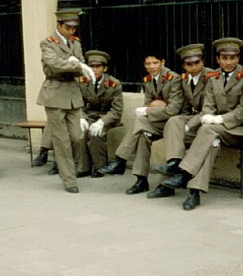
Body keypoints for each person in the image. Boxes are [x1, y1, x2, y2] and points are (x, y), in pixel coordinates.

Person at [159, 38, 243, 210]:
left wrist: (220, 120)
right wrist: (207, 119)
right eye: (224, 58)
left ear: (238, 58)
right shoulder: (213, 77)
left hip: (237, 129)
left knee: (207, 131)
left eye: (232, 58)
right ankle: (194, 192)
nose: (229, 62)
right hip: (212, 129)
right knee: (209, 143)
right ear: (218, 59)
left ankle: (184, 173)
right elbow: (208, 106)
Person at [99, 48, 183, 195]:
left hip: (174, 124)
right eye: (148, 64)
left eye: (155, 63)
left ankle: (121, 160)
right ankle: (141, 180)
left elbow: (173, 110)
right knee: (142, 134)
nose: (151, 67)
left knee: (140, 120)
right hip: (158, 121)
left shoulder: (173, 78)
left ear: (162, 62)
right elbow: (148, 103)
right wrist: (155, 106)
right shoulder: (149, 80)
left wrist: (150, 110)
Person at [37, 8, 96, 193]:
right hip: (54, 93)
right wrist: (75, 64)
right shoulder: (47, 43)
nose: (72, 31)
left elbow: (80, 63)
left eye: (74, 28)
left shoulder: (75, 43)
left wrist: (76, 65)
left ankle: (70, 169)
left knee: (78, 136)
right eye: (68, 28)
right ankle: (69, 179)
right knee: (61, 140)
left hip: (72, 93)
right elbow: (54, 64)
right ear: (59, 25)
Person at [147, 43, 214, 200]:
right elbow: (184, 108)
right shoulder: (184, 79)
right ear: (184, 66)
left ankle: (192, 191)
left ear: (202, 61)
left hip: (211, 121)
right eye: (189, 64)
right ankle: (173, 164)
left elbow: (210, 109)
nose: (193, 67)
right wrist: (183, 124)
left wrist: (189, 126)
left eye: (196, 62)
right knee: (174, 122)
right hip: (196, 119)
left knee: (204, 144)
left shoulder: (212, 77)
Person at [76, 50, 124, 178]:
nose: (94, 70)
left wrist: (102, 122)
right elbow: (77, 103)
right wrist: (81, 118)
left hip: (106, 117)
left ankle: (99, 167)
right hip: (89, 116)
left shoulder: (114, 84)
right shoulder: (82, 82)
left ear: (105, 68)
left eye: (98, 67)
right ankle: (83, 167)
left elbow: (117, 110)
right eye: (91, 66)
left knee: (96, 134)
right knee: (80, 133)